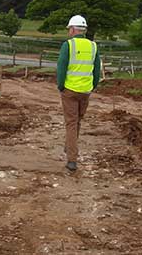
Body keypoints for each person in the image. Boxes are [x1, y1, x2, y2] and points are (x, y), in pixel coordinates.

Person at [56, 15, 101, 171]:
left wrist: (60, 86)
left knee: (71, 123)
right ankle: (70, 146)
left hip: (70, 90)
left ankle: (72, 159)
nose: (69, 31)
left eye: (69, 28)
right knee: (77, 122)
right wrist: (92, 86)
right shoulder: (94, 46)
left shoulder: (68, 45)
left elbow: (61, 68)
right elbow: (96, 71)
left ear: (73, 29)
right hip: (85, 91)